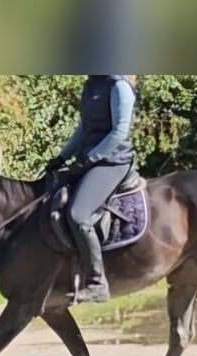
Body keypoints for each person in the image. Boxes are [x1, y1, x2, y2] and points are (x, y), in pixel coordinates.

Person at [46, 74, 138, 304]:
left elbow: (119, 132)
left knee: (78, 215)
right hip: (89, 158)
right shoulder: (90, 85)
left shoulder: (119, 86)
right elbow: (84, 128)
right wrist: (62, 157)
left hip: (113, 161)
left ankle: (98, 283)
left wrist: (90, 158)